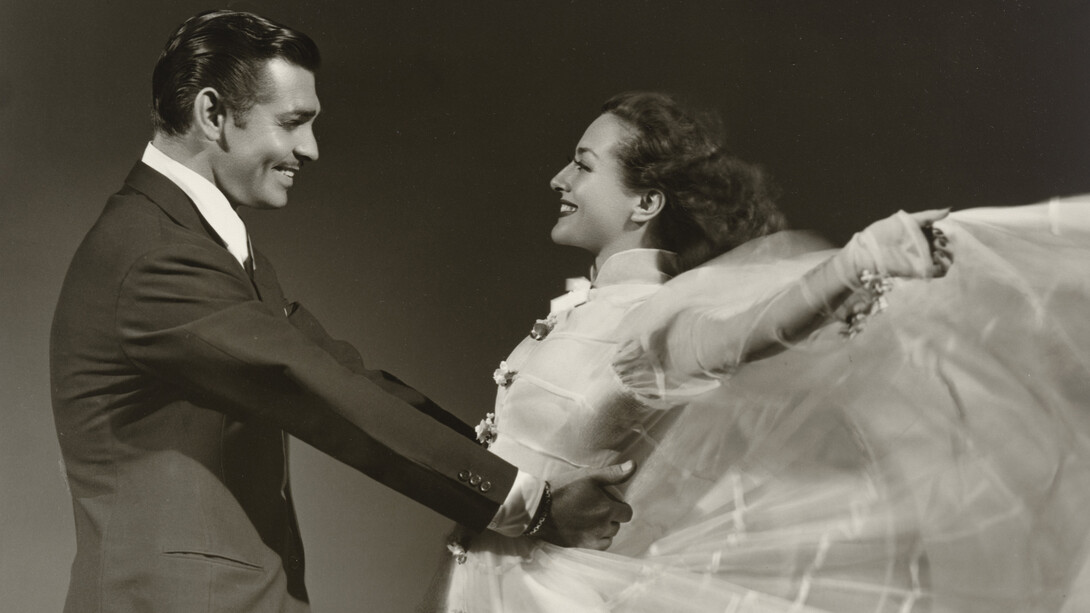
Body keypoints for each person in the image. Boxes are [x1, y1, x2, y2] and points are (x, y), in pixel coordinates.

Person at [49, 10, 634, 613]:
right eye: (293, 123)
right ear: (212, 114)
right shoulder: (157, 254)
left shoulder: (194, 241)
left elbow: (345, 375)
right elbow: (314, 389)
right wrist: (531, 507)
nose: (311, 149)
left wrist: (525, 477)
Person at [427, 92, 1090, 612]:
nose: (558, 176)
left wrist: (857, 262)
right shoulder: (594, 308)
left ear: (646, 202)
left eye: (583, 164)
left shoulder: (657, 312)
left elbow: (750, 328)